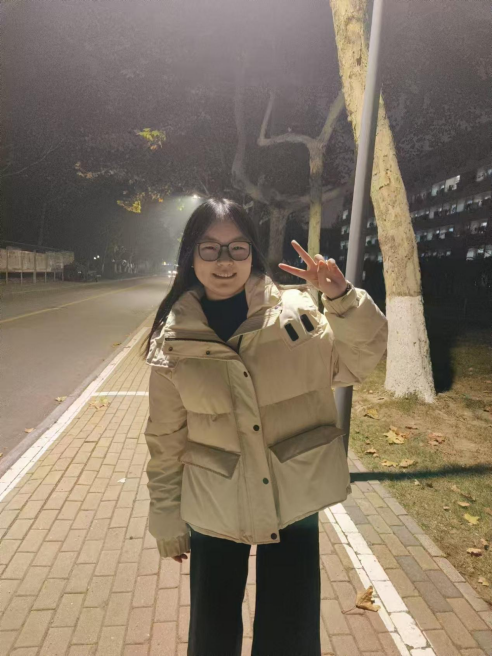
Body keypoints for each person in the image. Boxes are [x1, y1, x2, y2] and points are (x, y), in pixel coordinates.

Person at [144, 198, 388, 656]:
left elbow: (354, 362)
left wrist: (342, 299)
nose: (224, 261)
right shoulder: (173, 340)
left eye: (236, 248)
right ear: (191, 255)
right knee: (212, 634)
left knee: (290, 633)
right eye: (210, 248)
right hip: (215, 503)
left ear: (252, 253)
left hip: (294, 495)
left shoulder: (295, 313)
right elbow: (164, 437)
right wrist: (166, 517)